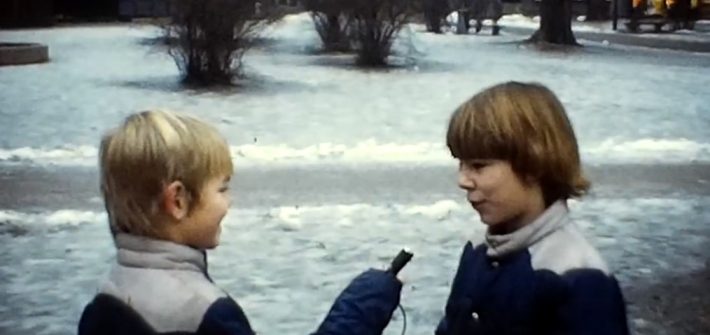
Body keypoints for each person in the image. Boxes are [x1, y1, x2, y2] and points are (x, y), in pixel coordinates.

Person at [77, 110, 402, 335]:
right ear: (177, 201)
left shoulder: (108, 295)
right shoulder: (203, 312)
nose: (228, 201)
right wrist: (361, 308)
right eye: (222, 188)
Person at [436, 82, 630, 334]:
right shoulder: (478, 251)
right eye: (461, 164)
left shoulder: (577, 276)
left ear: (534, 162)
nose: (462, 180)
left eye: (478, 165)